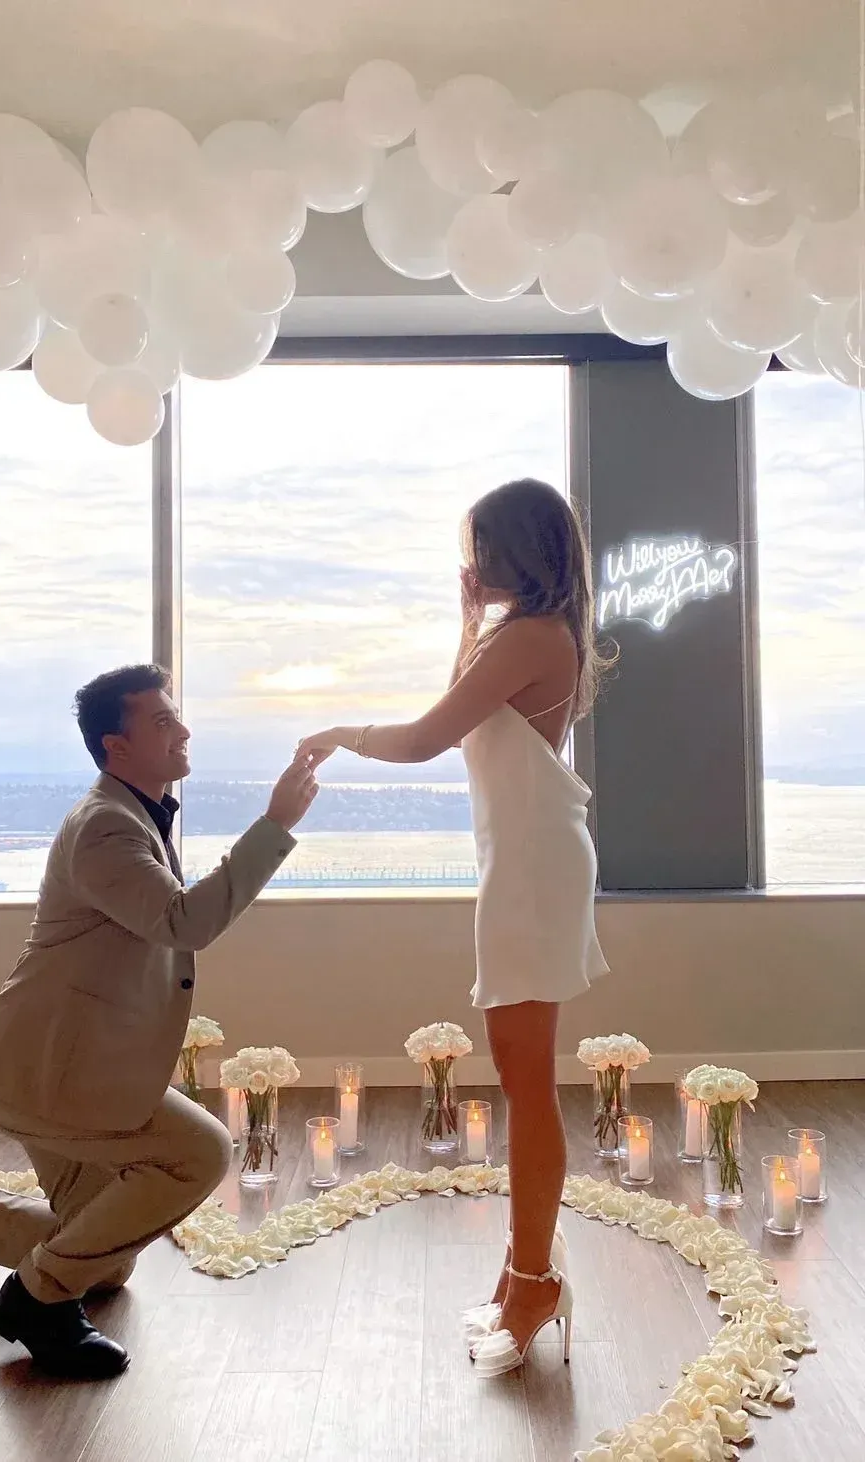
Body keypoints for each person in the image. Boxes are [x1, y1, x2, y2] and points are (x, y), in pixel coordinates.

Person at [0, 664, 318, 1379]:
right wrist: (275, 826)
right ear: (117, 746)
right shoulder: (106, 828)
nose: (184, 731)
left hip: (62, 1067)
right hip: (47, 1074)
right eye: (164, 722)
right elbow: (184, 921)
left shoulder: (131, 813)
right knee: (201, 1152)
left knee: (102, 1264)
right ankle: (35, 1302)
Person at [295, 478, 610, 1378]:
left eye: (477, 547)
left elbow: (427, 737)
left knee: (528, 1086)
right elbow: (462, 710)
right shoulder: (527, 636)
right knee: (522, 1079)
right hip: (524, 864)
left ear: (510, 550)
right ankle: (522, 1278)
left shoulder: (535, 637)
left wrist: (337, 732)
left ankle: (534, 1281)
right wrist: (466, 623)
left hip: (533, 870)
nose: (468, 562)